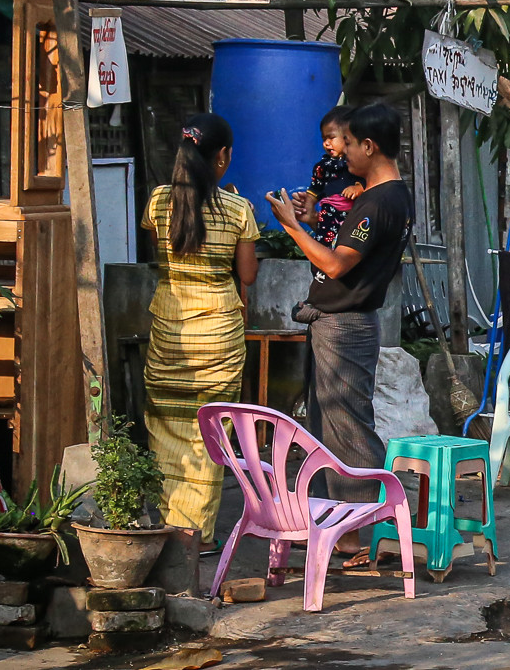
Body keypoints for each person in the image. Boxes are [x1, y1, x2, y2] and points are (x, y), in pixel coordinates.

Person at [266, 103, 412, 563]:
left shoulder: (379, 201)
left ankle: (371, 529)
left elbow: (334, 263)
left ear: (369, 146)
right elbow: (343, 247)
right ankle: (351, 533)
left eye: (347, 143)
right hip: (337, 320)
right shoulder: (374, 197)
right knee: (331, 427)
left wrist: (291, 227)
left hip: (346, 325)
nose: (341, 151)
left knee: (347, 429)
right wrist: (311, 221)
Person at [142, 113, 259, 544]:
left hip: (169, 335)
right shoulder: (237, 209)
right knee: (209, 430)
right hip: (218, 340)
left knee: (165, 425)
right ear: (223, 156)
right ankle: (197, 535)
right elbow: (247, 277)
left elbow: (165, 254)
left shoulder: (157, 203)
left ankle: (169, 525)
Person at [307, 105, 364, 247]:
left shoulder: (358, 162)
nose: (326, 143)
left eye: (331, 137)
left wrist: (359, 187)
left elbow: (372, 181)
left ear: (348, 137)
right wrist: (308, 204)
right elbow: (315, 188)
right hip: (328, 216)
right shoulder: (322, 166)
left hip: (353, 216)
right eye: (323, 139)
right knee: (324, 245)